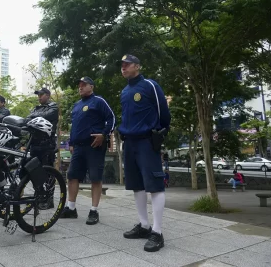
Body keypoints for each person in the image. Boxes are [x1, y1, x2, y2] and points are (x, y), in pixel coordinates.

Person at [118, 54, 171, 252]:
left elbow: (163, 112)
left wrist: (162, 132)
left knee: (155, 185)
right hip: (129, 142)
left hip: (147, 141)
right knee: (137, 186)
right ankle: (144, 225)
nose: (123, 68)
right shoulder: (124, 91)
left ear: (137, 66)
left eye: (127, 64)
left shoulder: (150, 85)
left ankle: (157, 232)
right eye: (121, 65)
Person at [60, 76, 115, 225]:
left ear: (92, 87)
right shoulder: (77, 105)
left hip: (94, 145)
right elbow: (75, 126)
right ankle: (71, 208)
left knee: (95, 177)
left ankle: (94, 210)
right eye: (79, 85)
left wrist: (104, 135)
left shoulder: (98, 101)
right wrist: (71, 142)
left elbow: (111, 118)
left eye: (84, 85)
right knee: (72, 176)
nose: (81, 87)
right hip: (78, 146)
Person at [26, 87, 59, 210]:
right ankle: (38, 196)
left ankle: (49, 199)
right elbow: (27, 119)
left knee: (48, 172)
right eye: (38, 95)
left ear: (48, 95)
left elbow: (46, 115)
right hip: (34, 143)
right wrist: (35, 115)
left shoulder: (53, 106)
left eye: (41, 94)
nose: (39, 97)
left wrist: (34, 115)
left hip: (47, 144)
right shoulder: (36, 108)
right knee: (34, 170)